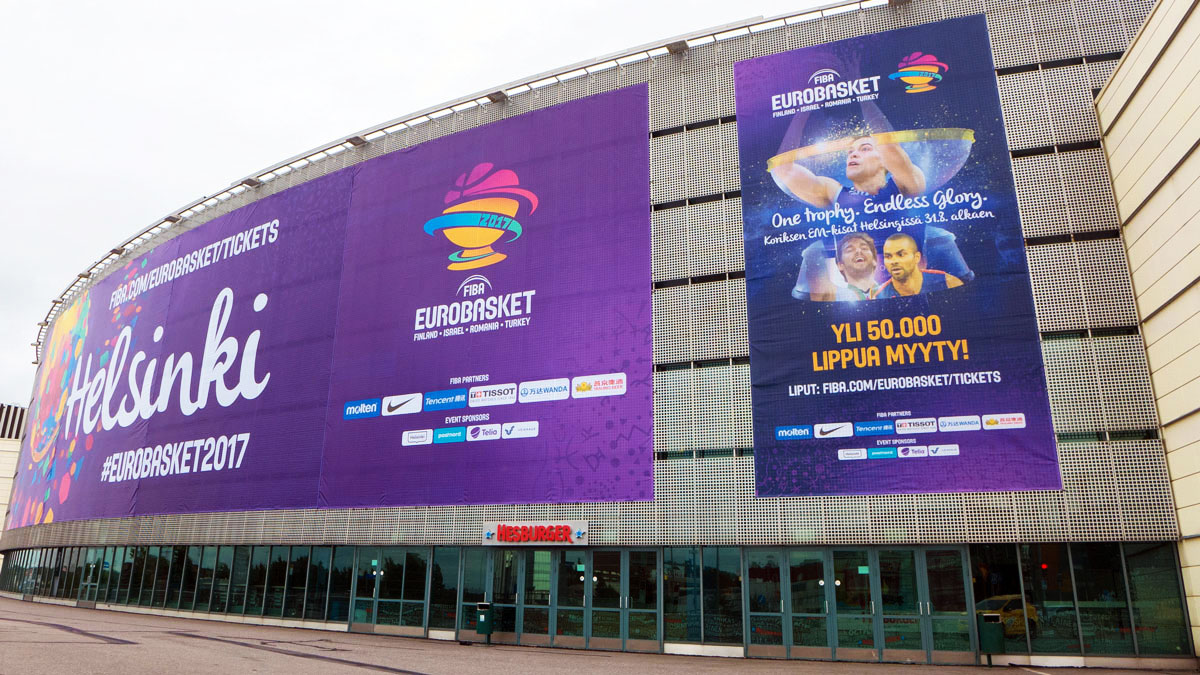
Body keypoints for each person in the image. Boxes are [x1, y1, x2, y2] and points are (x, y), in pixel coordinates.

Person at [770, 134, 926, 210]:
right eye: (850, 151)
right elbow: (782, 168)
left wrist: (864, 95)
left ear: (884, 160)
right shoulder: (833, 193)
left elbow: (889, 146)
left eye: (865, 149)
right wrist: (801, 111)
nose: (853, 154)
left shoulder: (905, 185)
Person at [873, 233, 962, 298]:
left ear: (917, 257)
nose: (894, 261)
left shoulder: (947, 282)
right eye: (888, 256)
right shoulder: (879, 296)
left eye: (901, 255)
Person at [797, 233, 881, 301]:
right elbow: (811, 254)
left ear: (874, 260)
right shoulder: (831, 295)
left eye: (864, 248)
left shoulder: (887, 291)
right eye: (850, 250)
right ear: (840, 265)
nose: (858, 251)